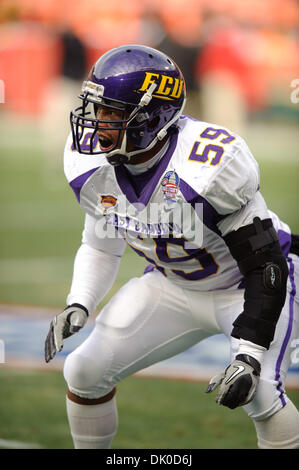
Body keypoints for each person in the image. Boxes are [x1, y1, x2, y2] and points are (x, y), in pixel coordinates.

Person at [44, 44, 299, 449]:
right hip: (175, 284)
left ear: (150, 115)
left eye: (112, 111)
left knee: (261, 392)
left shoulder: (209, 164)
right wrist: (80, 301)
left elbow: (263, 263)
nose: (97, 122)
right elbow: (100, 242)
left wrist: (249, 353)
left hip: (250, 285)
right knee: (84, 371)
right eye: (97, 109)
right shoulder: (90, 163)